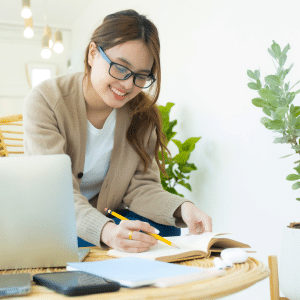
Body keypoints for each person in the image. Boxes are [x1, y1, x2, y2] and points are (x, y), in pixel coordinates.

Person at [23, 9, 212, 253]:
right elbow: (53, 192)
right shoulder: (45, 100)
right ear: (93, 53)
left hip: (108, 216)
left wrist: (183, 208)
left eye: (141, 76)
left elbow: (141, 188)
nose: (127, 85)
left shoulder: (141, 114)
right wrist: (107, 232)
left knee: (163, 230)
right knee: (75, 240)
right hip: (54, 218)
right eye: (120, 68)